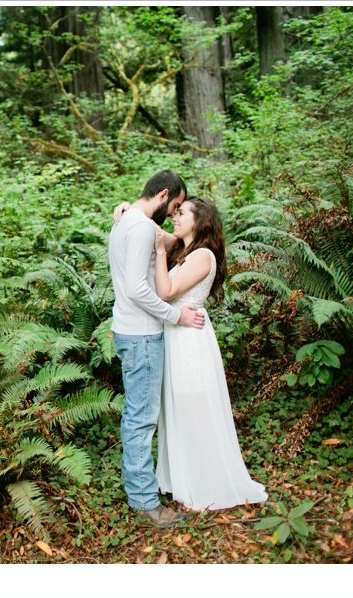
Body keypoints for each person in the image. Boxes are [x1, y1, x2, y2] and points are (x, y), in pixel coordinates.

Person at [116, 196, 268, 511]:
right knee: (176, 410)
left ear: (199, 221)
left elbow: (167, 291)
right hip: (172, 335)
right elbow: (147, 224)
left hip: (188, 339)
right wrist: (125, 208)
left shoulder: (202, 255)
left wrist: (158, 251)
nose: (174, 215)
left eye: (181, 213)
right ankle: (179, 479)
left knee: (193, 406)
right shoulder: (183, 247)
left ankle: (207, 482)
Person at [108, 170, 205, 528]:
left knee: (138, 414)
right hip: (142, 334)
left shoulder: (129, 222)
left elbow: (174, 242)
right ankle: (145, 500)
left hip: (130, 331)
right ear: (164, 195)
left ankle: (142, 491)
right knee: (141, 418)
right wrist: (175, 315)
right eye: (176, 205)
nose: (175, 213)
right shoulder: (139, 227)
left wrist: (125, 208)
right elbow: (136, 288)